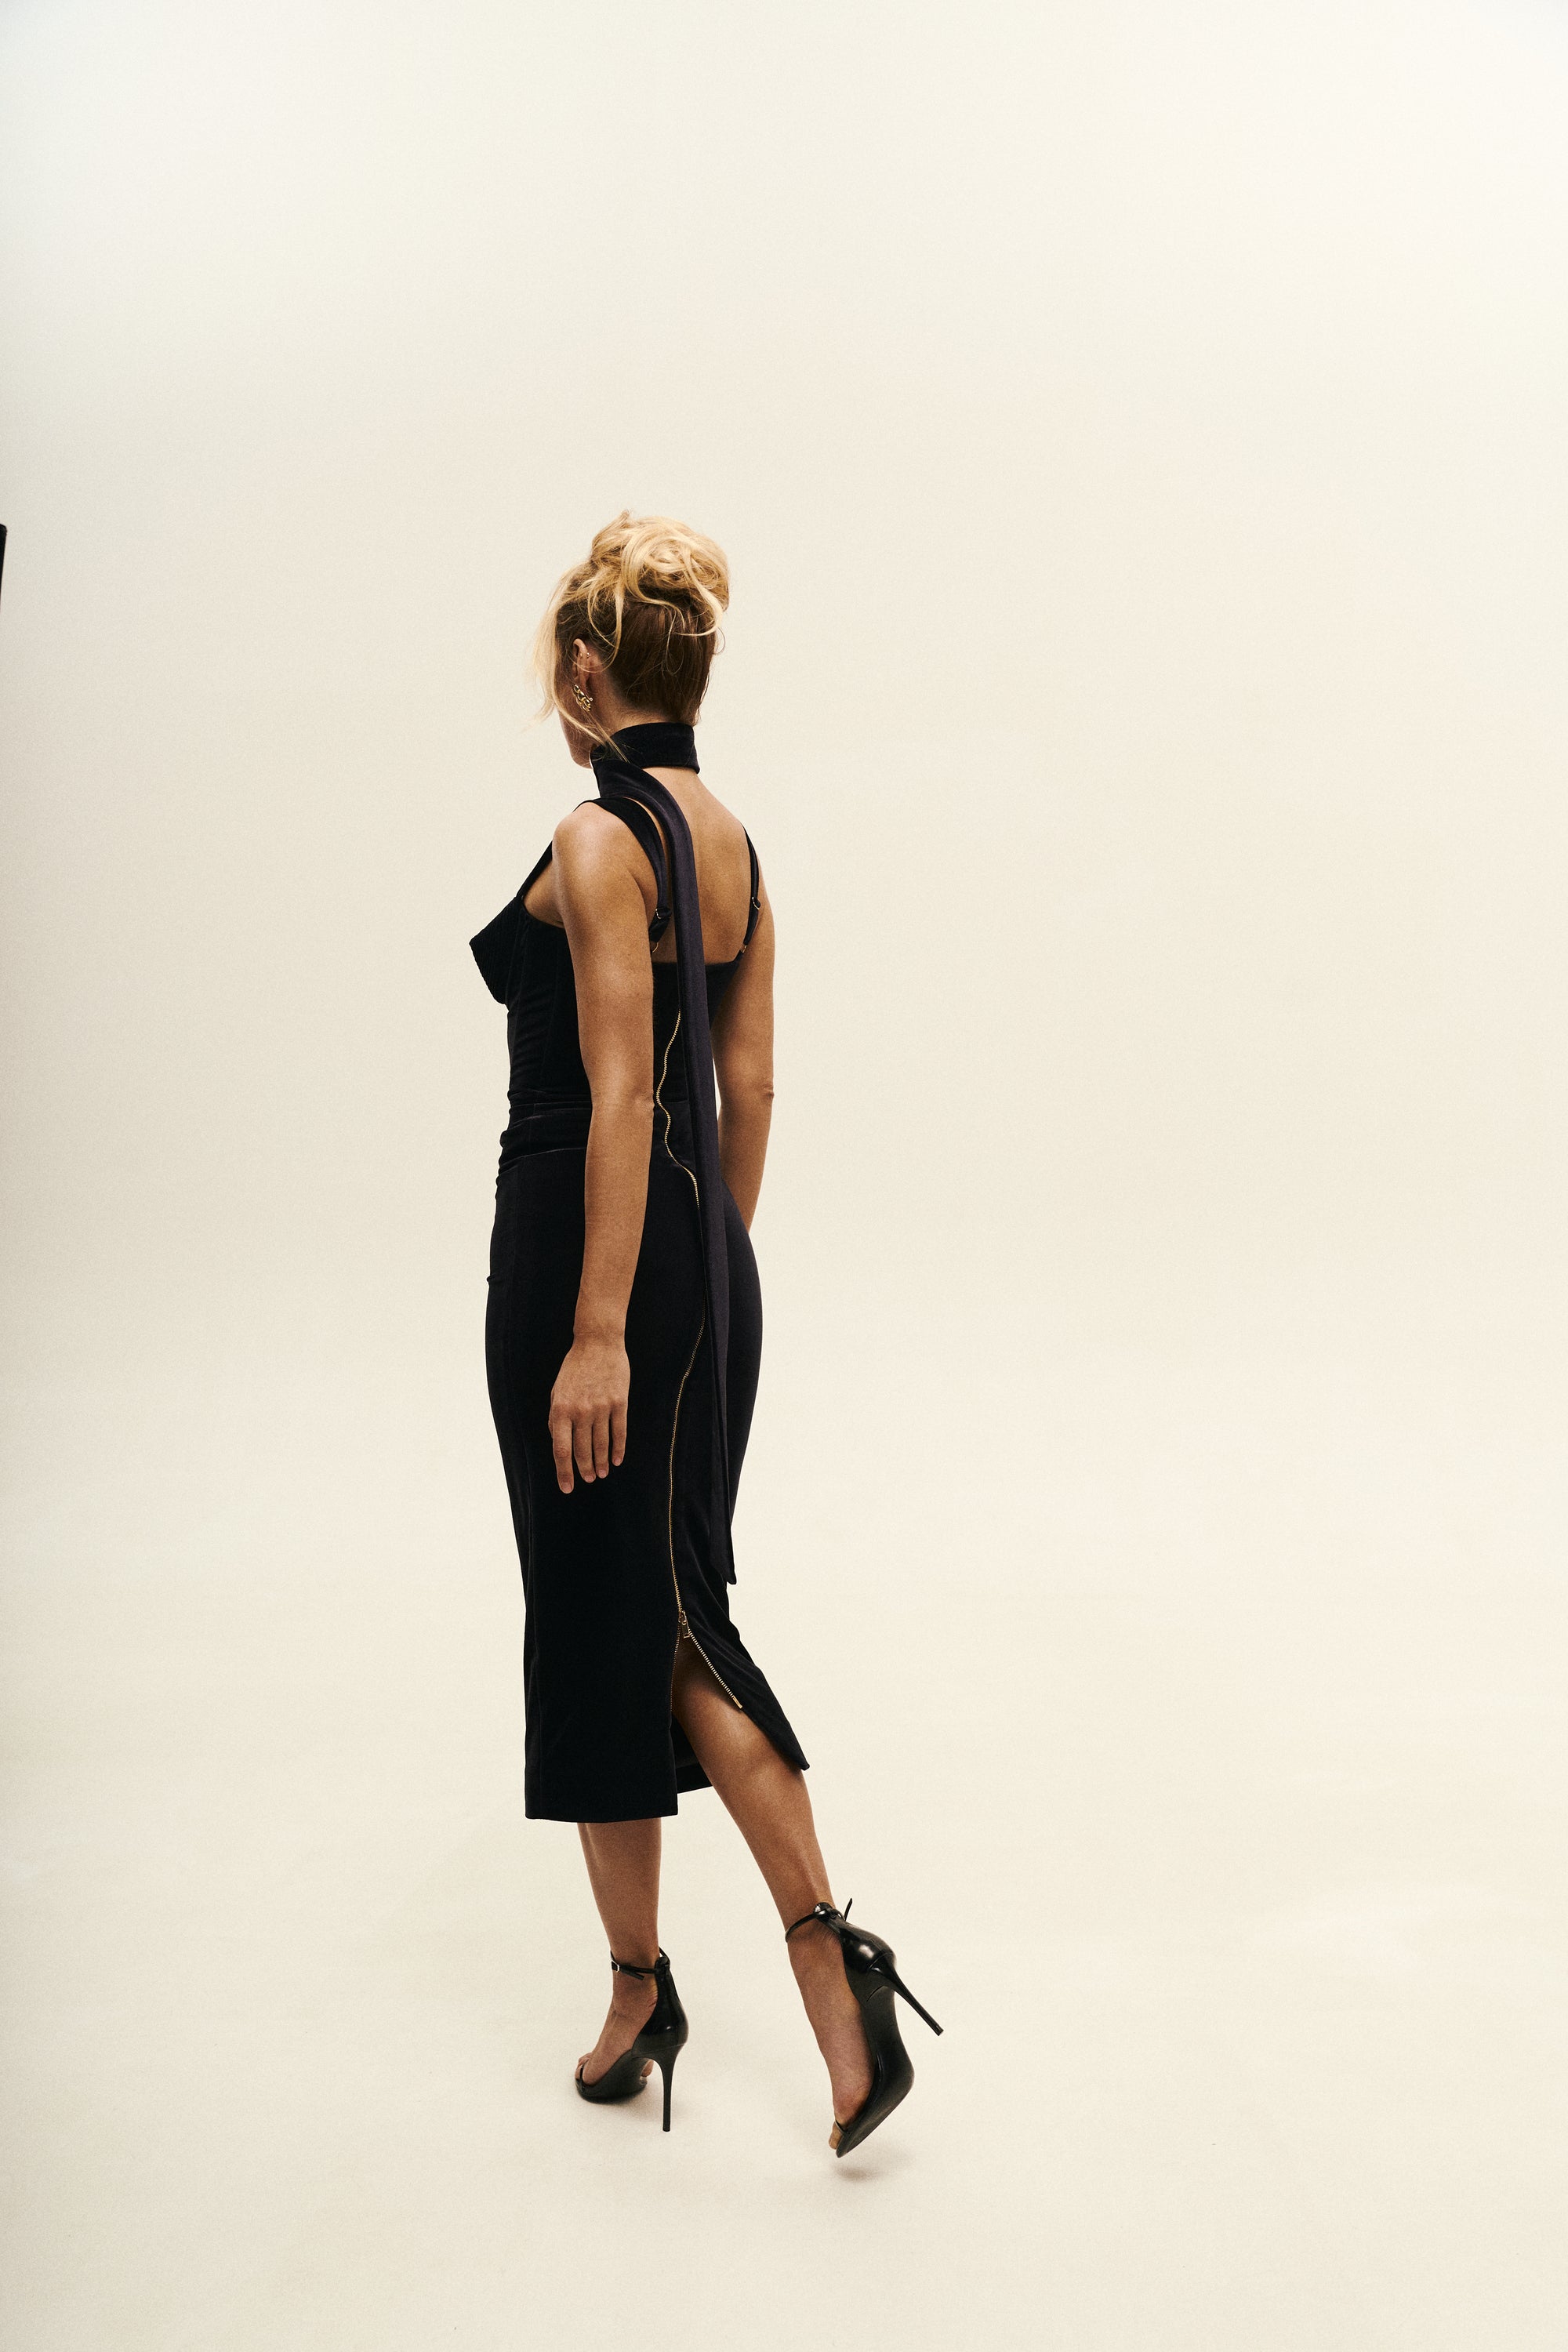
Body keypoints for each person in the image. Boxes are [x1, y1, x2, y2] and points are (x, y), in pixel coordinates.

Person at [471, 513, 940, 2156]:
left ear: (587, 674)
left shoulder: (598, 836)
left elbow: (620, 1096)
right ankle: (672, 1989)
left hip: (582, 1263)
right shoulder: (735, 845)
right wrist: (700, 1273)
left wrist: (604, 1327)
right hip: (699, 1260)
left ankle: (778, 1962)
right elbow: (749, 1088)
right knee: (648, 1613)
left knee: (620, 1617)